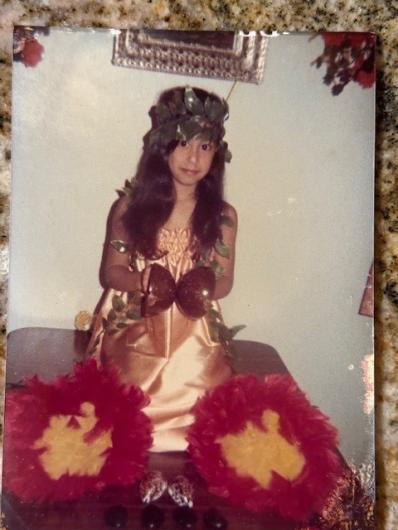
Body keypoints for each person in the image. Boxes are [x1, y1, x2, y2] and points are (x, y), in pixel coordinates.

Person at [87, 86, 238, 452]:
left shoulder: (223, 216)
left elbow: (224, 280)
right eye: (184, 143)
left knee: (203, 399)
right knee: (125, 404)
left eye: (205, 146)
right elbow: (111, 273)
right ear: (163, 146)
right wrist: (142, 280)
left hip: (195, 328)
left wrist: (199, 286)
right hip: (137, 319)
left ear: (216, 155)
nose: (193, 157)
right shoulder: (129, 208)